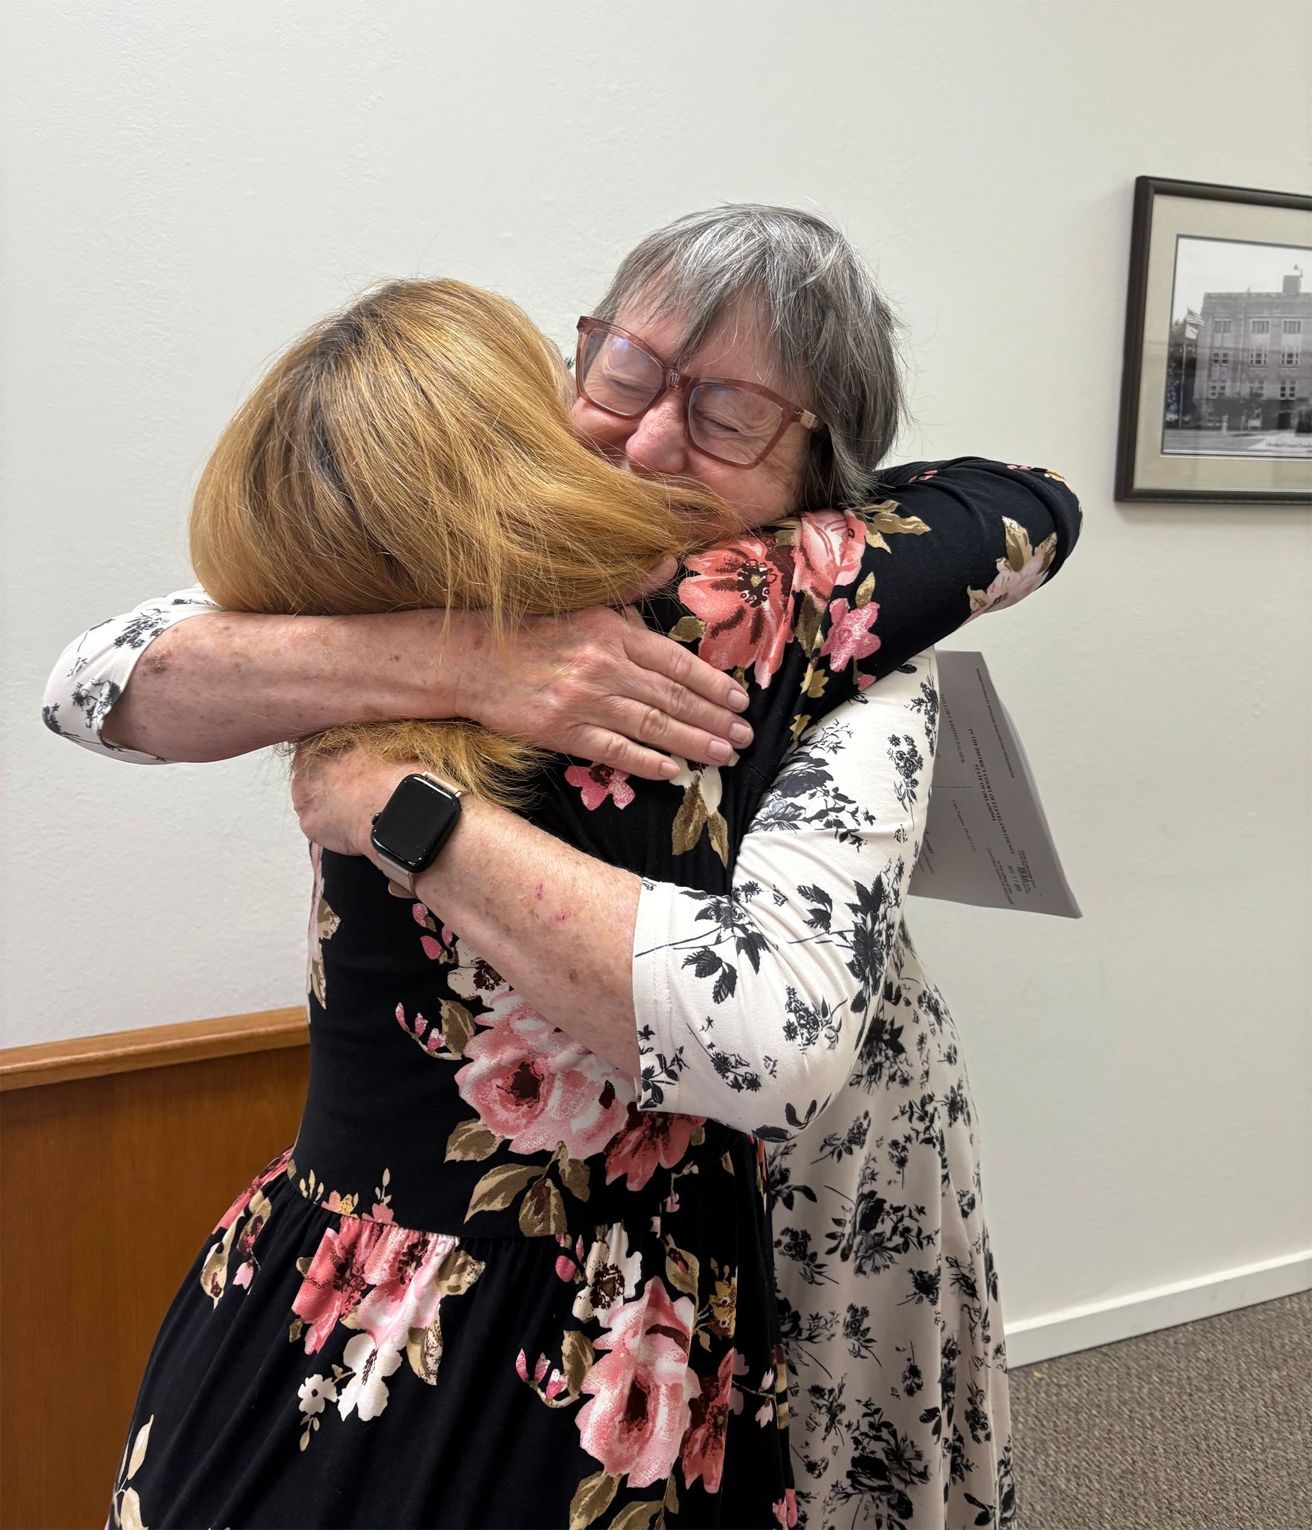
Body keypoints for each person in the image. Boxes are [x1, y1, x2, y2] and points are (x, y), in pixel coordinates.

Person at [49, 206, 1081, 1530]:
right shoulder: (423, 564)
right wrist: (459, 660)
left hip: (653, 1297)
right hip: (349, 1285)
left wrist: (393, 806)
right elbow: (91, 687)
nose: (649, 439)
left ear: (823, 475)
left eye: (727, 415)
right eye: (628, 374)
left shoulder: (836, 655)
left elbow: (771, 1039)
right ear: (571, 364)